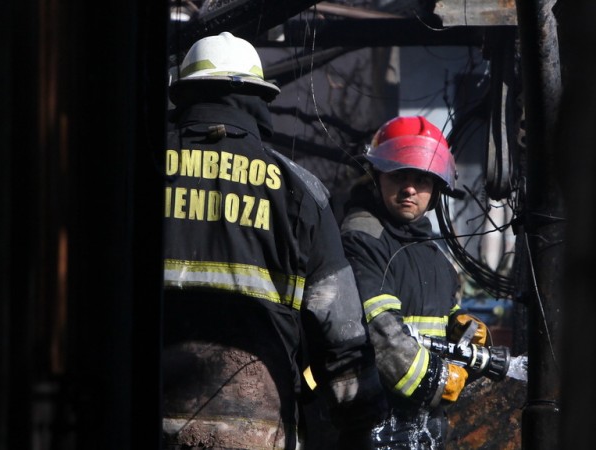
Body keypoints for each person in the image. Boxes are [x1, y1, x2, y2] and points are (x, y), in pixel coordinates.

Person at [162, 31, 387, 449]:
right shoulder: (300, 191)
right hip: (257, 430)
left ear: (185, 93)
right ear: (259, 100)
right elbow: (338, 325)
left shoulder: (134, 171)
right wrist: (362, 419)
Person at [339, 116, 492, 449]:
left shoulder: (435, 258)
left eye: (421, 179)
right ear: (377, 176)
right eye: (398, 175)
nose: (409, 188)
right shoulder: (362, 238)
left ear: (436, 188)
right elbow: (379, 332)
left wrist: (460, 327)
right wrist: (438, 379)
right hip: (373, 425)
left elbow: (433, 315)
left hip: (423, 427)